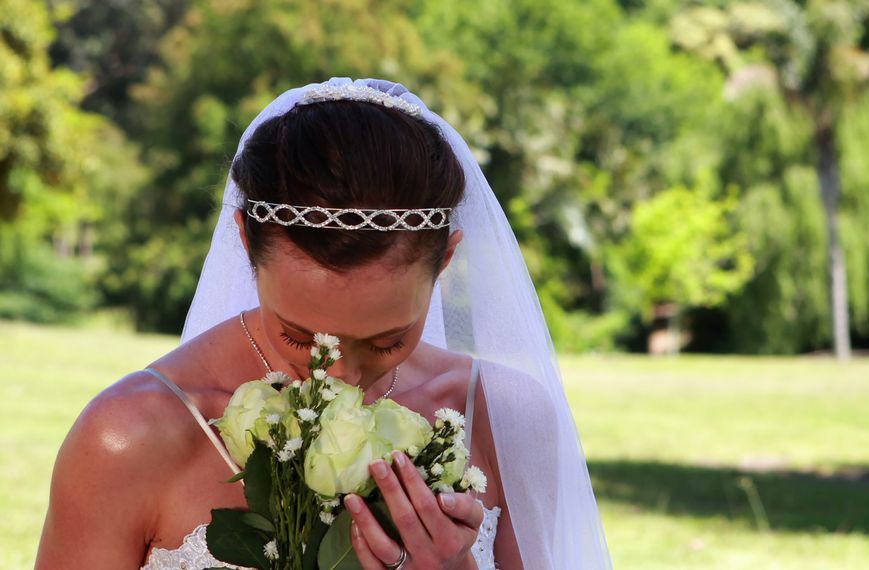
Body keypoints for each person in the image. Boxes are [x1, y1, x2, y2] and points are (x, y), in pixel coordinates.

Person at [36, 78, 611, 569]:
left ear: (447, 259)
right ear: (245, 244)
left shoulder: (505, 421)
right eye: (301, 338)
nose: (339, 374)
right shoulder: (127, 437)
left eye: (388, 341)